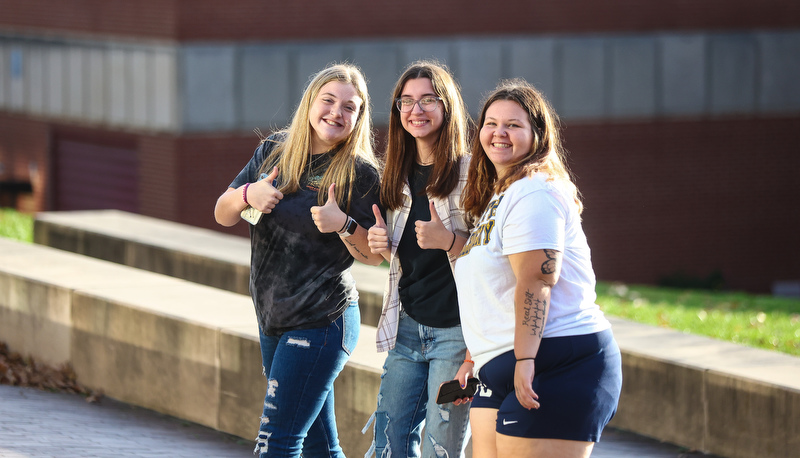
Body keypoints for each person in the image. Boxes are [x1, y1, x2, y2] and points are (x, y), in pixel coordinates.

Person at [214, 63, 384, 458]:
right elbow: (222, 213)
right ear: (310, 102)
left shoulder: (360, 175)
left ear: (358, 118)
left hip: (322, 320)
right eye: (328, 100)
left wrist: (342, 224)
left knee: (276, 445)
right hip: (272, 317)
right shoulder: (274, 150)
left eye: (349, 107)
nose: (336, 113)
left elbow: (373, 256)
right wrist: (247, 196)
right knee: (321, 449)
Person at [454, 79, 623, 458]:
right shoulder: (497, 197)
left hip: (556, 360)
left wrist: (526, 359)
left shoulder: (535, 191)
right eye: (491, 122)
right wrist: (472, 357)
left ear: (538, 135)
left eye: (513, 125)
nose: (499, 132)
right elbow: (491, 287)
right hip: (500, 364)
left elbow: (537, 280)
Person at [364, 60, 473, 458]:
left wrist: (450, 240)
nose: (416, 110)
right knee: (387, 445)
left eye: (429, 99)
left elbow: (496, 257)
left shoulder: (470, 172)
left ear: (447, 107)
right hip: (406, 327)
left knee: (439, 451)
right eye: (406, 101)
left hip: (457, 332)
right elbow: (394, 257)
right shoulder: (395, 174)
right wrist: (380, 242)